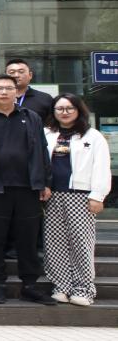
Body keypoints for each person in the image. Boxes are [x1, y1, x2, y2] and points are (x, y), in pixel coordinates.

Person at [0, 75, 55, 305]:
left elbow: (42, 151)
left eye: (8, 88)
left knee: (28, 239)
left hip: (28, 187)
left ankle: (30, 285)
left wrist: (45, 182)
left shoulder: (31, 117)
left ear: (16, 92)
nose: (4, 92)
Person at [43, 93, 112, 306]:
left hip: (81, 196)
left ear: (78, 110)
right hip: (53, 196)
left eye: (69, 108)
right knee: (55, 243)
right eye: (59, 109)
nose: (64, 112)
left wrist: (98, 195)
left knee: (81, 243)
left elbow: (102, 167)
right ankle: (61, 286)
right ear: (53, 112)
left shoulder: (93, 136)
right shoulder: (47, 133)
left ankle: (83, 289)